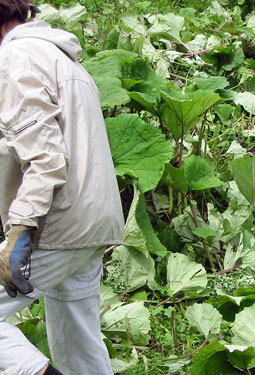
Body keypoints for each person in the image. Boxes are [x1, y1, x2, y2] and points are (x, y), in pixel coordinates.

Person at [0, 1, 124, 374]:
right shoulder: (62, 58)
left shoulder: (15, 59)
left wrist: (20, 229)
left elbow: (46, 158)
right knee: (79, 348)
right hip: (91, 225)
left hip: (55, 226)